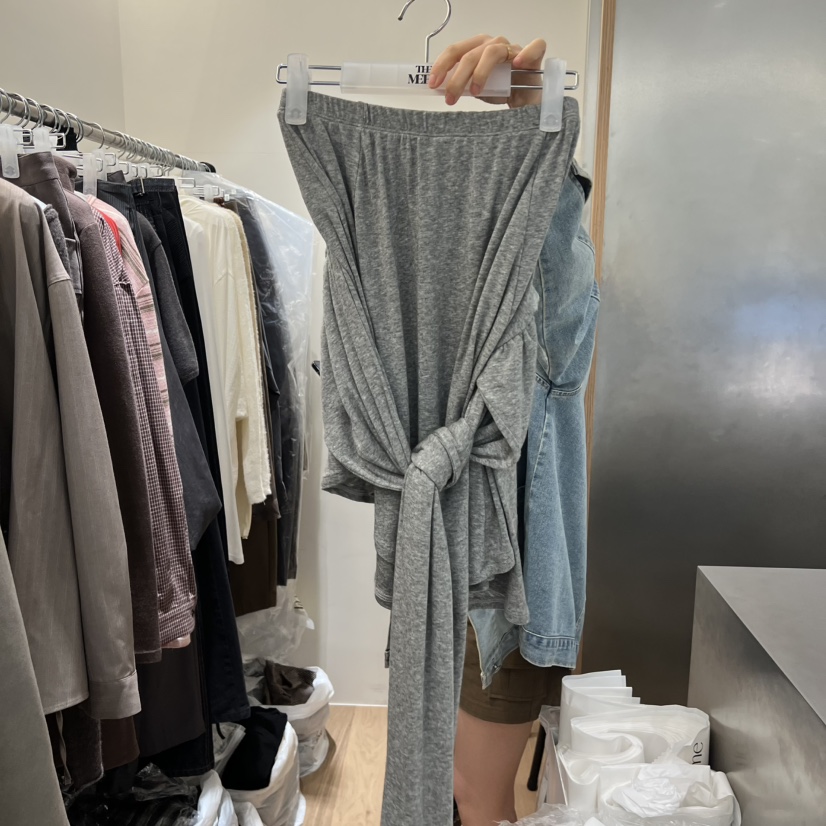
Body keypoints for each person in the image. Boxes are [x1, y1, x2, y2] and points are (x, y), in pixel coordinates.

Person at [429, 36, 586, 826]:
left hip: (507, 604)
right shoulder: (485, 330)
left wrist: (535, 113)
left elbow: (554, 252)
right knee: (461, 792)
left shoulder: (546, 343)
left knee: (476, 797)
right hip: (460, 586)